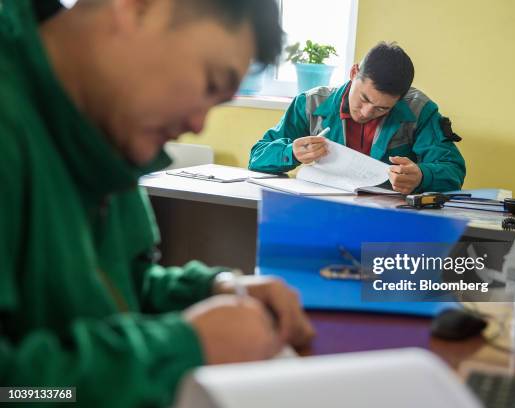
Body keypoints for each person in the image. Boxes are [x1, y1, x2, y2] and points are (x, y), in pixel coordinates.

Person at [0, 0, 314, 406]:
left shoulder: (105, 129)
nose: (199, 124)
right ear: (135, 7)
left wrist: (211, 290)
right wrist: (182, 348)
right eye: (210, 82)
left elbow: (115, 289)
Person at [249, 42, 467, 194]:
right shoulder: (309, 103)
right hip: (322, 213)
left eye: (382, 108)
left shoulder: (420, 111)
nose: (366, 112)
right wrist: (290, 152)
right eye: (363, 98)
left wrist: (421, 176)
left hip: (388, 221)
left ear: (400, 99)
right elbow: (257, 157)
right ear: (354, 73)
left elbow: (452, 170)